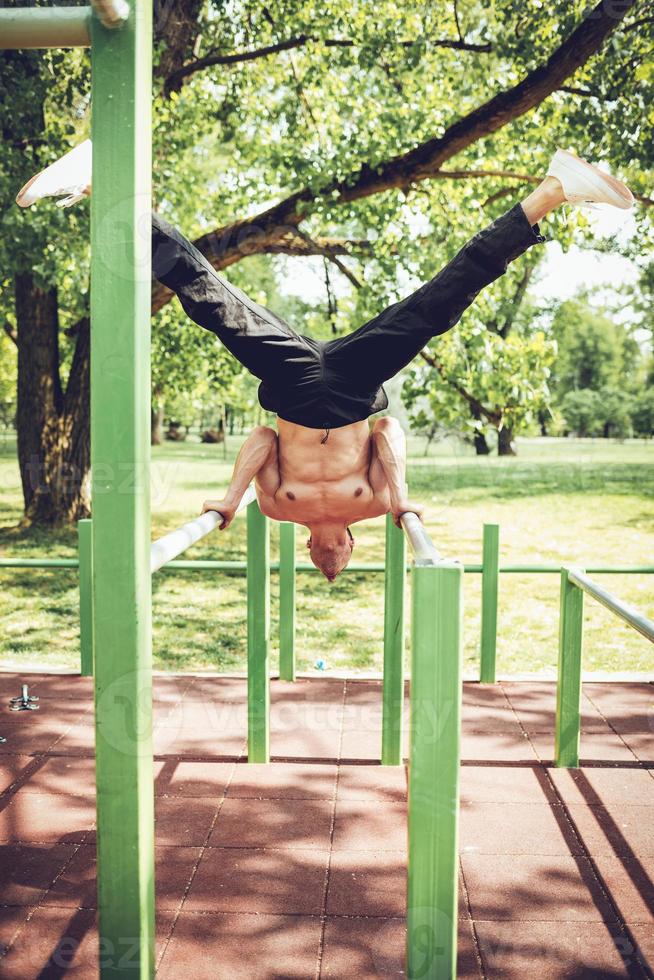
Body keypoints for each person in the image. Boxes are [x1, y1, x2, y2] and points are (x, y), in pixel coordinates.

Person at [17, 146, 634, 579]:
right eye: (336, 563)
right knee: (440, 302)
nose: (327, 564)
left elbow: (262, 438)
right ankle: (551, 192)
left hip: (290, 385)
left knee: (207, 301)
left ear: (311, 550)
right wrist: (404, 500)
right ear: (352, 544)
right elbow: (388, 431)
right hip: (355, 387)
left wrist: (229, 499)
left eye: (319, 565)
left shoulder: (281, 510)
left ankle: (109, 184)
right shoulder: (372, 505)